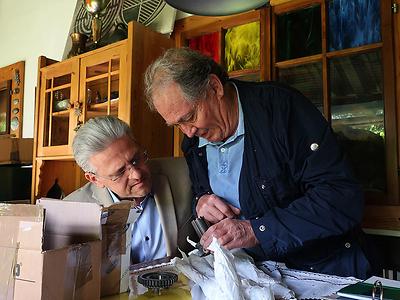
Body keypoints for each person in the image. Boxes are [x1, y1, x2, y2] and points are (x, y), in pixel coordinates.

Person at [143, 47, 374, 278]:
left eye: (189, 117)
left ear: (214, 87)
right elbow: (201, 190)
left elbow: (341, 197)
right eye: (177, 125)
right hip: (253, 275)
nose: (188, 132)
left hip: (322, 269)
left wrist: (257, 230)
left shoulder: (281, 110)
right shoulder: (193, 143)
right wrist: (201, 201)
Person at [64, 115, 193, 263]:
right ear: (95, 179)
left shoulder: (185, 172)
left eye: (136, 159)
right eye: (120, 172)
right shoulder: (73, 212)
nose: (137, 174)